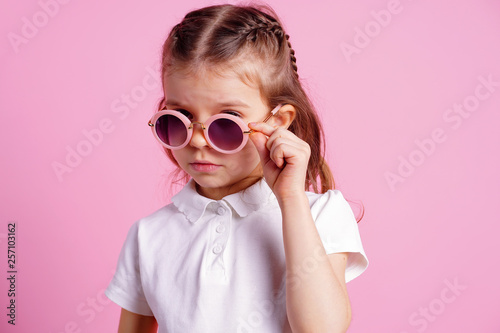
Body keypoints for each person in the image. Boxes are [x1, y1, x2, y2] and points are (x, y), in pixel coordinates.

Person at [105, 3, 368, 332]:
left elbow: (321, 329)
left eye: (225, 125)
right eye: (178, 120)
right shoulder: (148, 236)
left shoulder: (320, 215)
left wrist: (290, 199)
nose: (198, 141)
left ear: (278, 122)